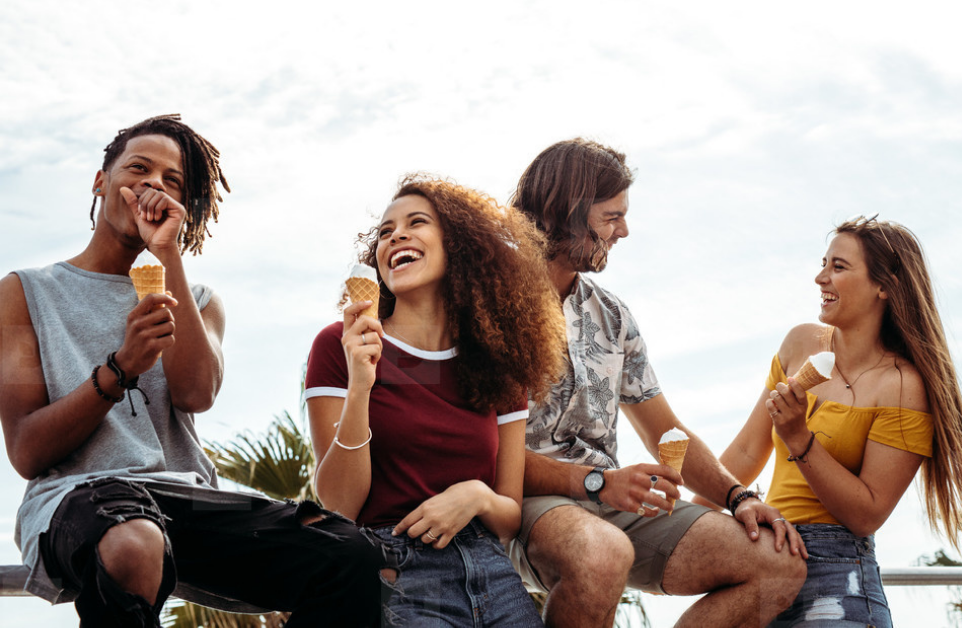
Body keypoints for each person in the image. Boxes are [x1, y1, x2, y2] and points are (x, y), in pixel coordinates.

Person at [0, 114, 385, 627]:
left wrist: (165, 252)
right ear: (100, 181)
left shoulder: (200, 301)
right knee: (135, 542)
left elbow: (196, 393)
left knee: (348, 555)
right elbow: (28, 450)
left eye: (171, 180)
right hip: (82, 499)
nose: (153, 184)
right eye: (138, 168)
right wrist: (120, 369)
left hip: (188, 499)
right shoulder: (25, 292)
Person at [506, 138, 808, 628]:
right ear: (563, 210)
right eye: (610, 216)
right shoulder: (485, 301)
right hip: (517, 501)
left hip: (609, 503)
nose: (624, 230)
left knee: (778, 564)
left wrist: (741, 497)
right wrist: (598, 482)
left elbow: (667, 432)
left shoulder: (613, 316)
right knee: (601, 554)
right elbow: (474, 444)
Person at [305, 174, 566, 627]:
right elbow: (339, 505)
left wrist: (475, 495)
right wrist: (361, 385)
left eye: (416, 223)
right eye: (385, 232)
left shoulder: (499, 362)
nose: (396, 236)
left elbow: (507, 516)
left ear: (459, 245)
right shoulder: (339, 345)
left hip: (493, 572)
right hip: (395, 567)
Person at [719, 216, 962, 626]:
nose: (820, 278)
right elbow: (746, 451)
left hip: (839, 577)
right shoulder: (799, 343)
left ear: (884, 286)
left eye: (838, 267)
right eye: (824, 263)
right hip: (765, 557)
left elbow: (867, 513)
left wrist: (800, 438)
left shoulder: (903, 386)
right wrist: (688, 524)